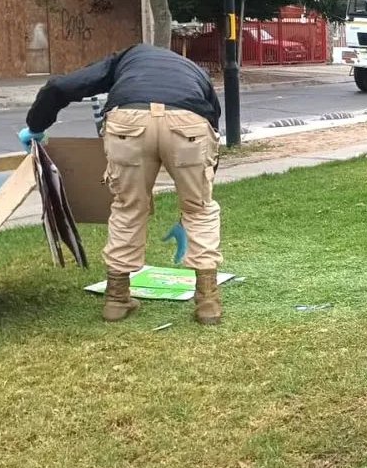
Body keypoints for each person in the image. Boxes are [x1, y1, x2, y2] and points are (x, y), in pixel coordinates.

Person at [18, 44, 225, 324]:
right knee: (199, 209)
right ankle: (208, 302)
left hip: (128, 123)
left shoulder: (122, 61)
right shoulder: (193, 70)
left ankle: (117, 299)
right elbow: (213, 119)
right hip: (189, 123)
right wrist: (201, 180)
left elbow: (59, 87)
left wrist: (35, 126)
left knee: (128, 207)